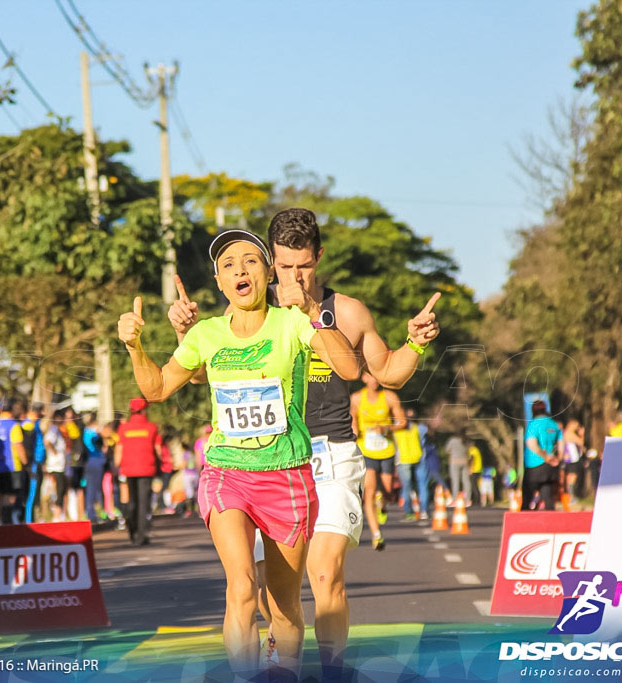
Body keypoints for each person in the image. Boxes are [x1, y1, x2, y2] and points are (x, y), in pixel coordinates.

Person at [168, 209, 440, 679]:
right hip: (260, 462)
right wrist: (182, 331)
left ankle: (332, 671)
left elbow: (386, 373)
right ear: (270, 262)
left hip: (330, 453)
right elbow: (199, 372)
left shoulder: (347, 311)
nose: (294, 276)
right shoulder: (250, 305)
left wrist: (414, 344)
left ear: (319, 258)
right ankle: (279, 663)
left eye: (305, 266)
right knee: (262, 592)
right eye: (285, 266)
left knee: (325, 573)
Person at [125, 228, 361, 680]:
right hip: (227, 473)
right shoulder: (206, 334)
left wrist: (312, 311)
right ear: (218, 281)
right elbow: (155, 388)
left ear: (268, 273)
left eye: (251, 261)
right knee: (241, 586)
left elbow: (348, 367)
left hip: (287, 474)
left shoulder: (292, 322)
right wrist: (136, 347)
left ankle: (285, 672)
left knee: (285, 604)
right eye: (228, 264)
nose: (240, 270)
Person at [351, 372, 407, 547]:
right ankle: (377, 535)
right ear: (364, 378)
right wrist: (353, 432)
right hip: (366, 451)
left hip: (386, 450)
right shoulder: (357, 398)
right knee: (369, 493)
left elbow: (403, 421)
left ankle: (382, 501)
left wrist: (387, 428)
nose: (374, 380)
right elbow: (353, 418)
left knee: (387, 489)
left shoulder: (389, 397)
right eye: (370, 376)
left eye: (376, 376)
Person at [114, 398, 163, 546]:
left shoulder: (124, 428)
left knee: (132, 501)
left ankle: (132, 530)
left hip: (128, 469)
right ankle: (141, 536)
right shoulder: (151, 427)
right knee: (144, 502)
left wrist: (116, 466)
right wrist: (160, 463)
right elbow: (158, 450)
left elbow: (119, 449)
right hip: (146, 469)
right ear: (143, 410)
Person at [523, 400, 563, 510]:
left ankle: (523, 522)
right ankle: (551, 522)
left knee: (527, 496)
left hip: (534, 465)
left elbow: (531, 443)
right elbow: (561, 444)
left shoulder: (533, 424)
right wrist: (558, 458)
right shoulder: (553, 424)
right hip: (550, 466)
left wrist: (544, 457)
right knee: (547, 495)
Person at [393, 408, 429, 521]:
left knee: (407, 487)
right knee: (423, 485)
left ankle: (409, 512)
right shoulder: (417, 427)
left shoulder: (396, 429)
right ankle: (424, 511)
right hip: (419, 457)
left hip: (403, 460)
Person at [445, 430, 471, 505]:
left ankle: (455, 500)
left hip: (454, 462)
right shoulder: (466, 441)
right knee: (466, 481)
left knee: (455, 481)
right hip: (465, 462)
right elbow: (469, 451)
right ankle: (467, 500)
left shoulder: (452, 440)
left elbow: (447, 450)